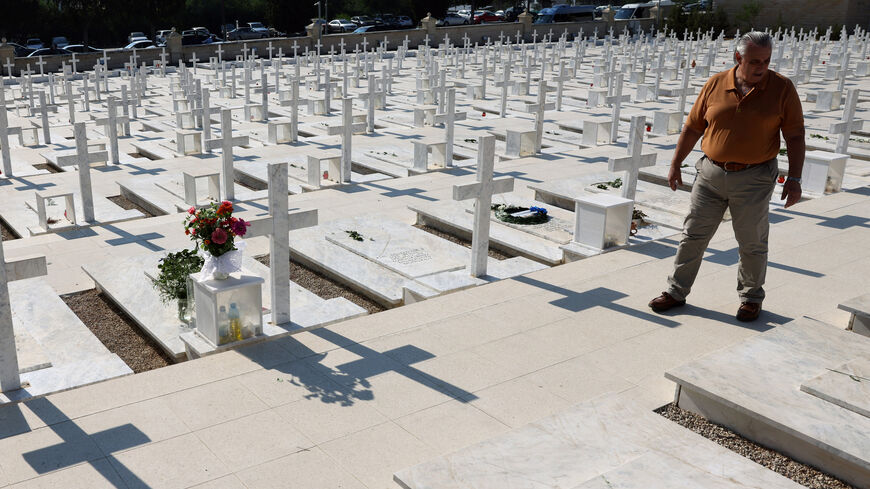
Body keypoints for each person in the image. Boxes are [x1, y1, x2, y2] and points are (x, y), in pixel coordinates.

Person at [649, 31, 805, 322]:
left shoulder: (782, 88)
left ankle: (750, 297)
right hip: (710, 173)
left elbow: (794, 135)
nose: (762, 67)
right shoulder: (716, 83)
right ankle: (676, 291)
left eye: (767, 60)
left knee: (751, 242)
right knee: (693, 235)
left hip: (754, 178)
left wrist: (795, 178)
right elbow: (694, 127)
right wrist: (675, 163)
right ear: (738, 58)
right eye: (755, 61)